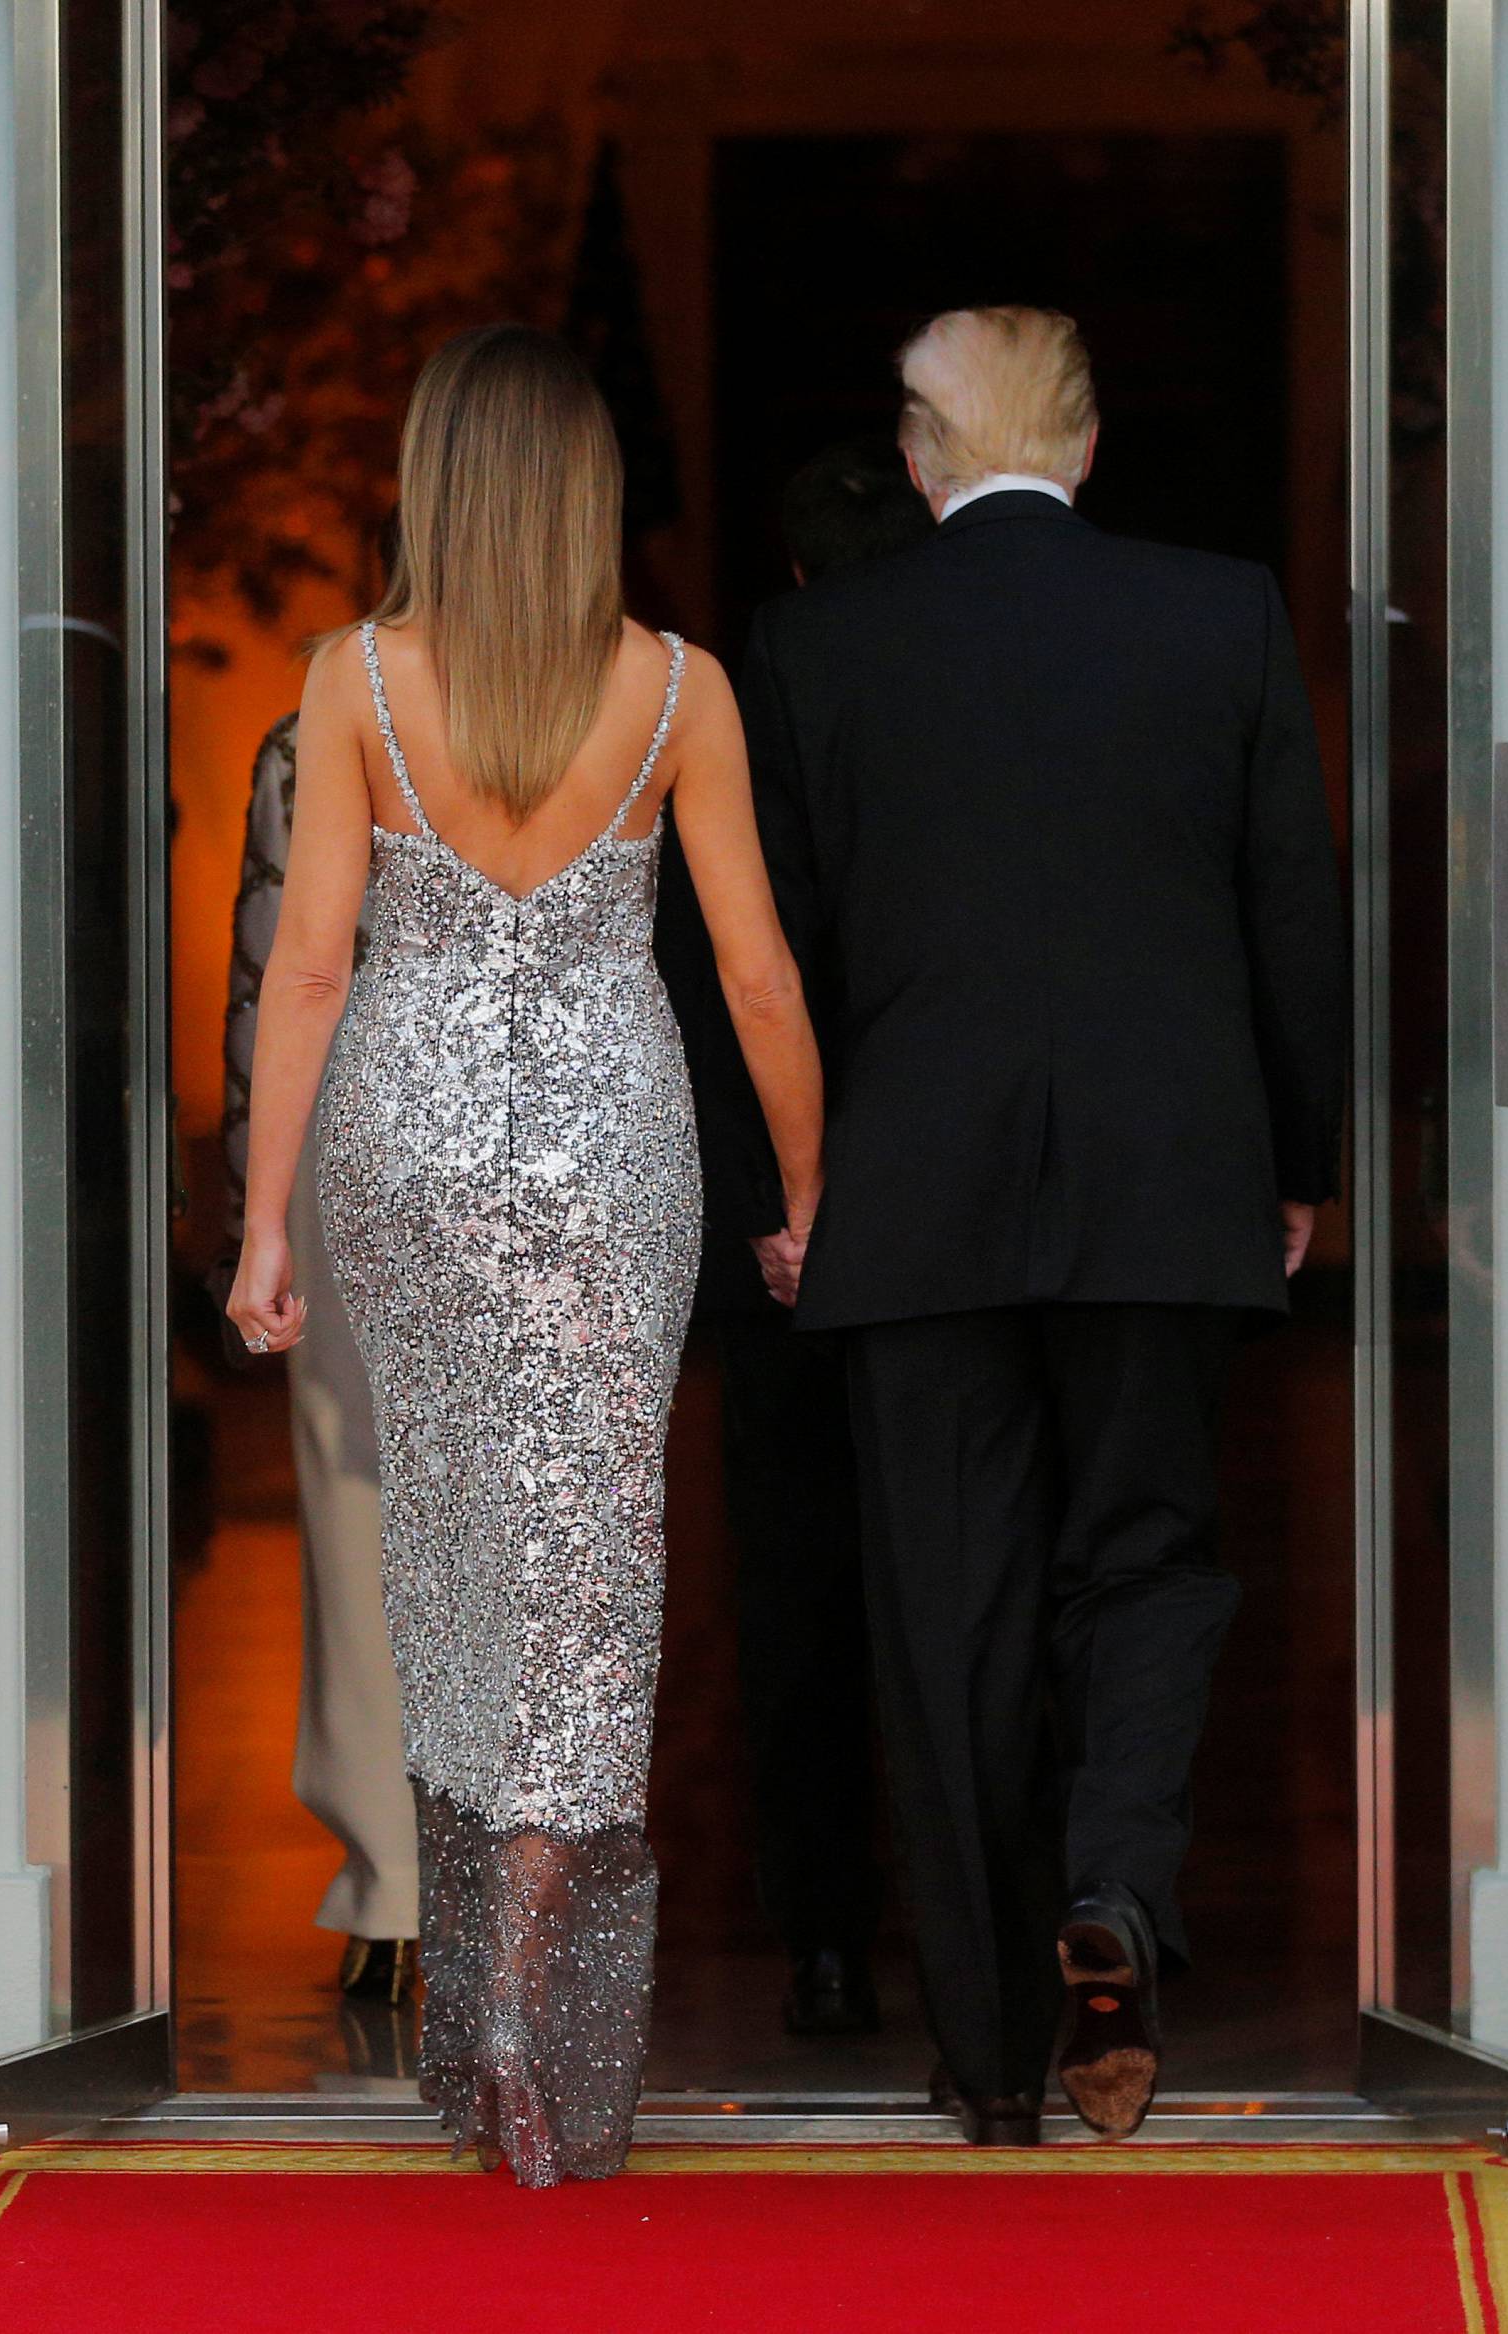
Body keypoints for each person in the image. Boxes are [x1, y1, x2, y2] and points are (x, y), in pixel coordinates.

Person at [737, 306, 1346, 2145]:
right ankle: (1119, 1887)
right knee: (1148, 1556)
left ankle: (994, 2052)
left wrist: (794, 1189)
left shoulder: (814, 641)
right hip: (1171, 1179)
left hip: (909, 1197)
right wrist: (1298, 1161)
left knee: (948, 1607)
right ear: (1085, 451)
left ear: (920, 468)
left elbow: (779, 961)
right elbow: (1292, 917)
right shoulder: (1221, 610)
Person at [228, 323, 825, 2187]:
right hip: (605, 1153)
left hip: (401, 1144)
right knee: (591, 1557)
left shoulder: (353, 683)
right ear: (588, 498)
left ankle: (471, 1986)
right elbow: (751, 976)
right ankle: (547, 2031)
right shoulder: (677, 690)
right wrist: (812, 1189)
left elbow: (311, 966)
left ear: (436, 484)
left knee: (455, 1547)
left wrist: (262, 1215)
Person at [668, 438, 934, 2038]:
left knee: (799, 1595)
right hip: (958, 1215)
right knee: (972, 1578)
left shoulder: (751, 701)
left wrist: (775, 1207)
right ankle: (994, 1916)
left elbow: (724, 989)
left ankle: (827, 1936)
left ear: (791, 579)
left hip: (796, 1230)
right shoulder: (972, 708)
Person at [218, 712, 420, 2004]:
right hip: (569, 1138)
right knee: (545, 1522)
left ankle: (396, 1886)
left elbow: (279, 969)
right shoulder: (621, 691)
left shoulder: (321, 729)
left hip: (362, 1136)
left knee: (361, 1510)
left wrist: (258, 1207)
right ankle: (538, 1866)